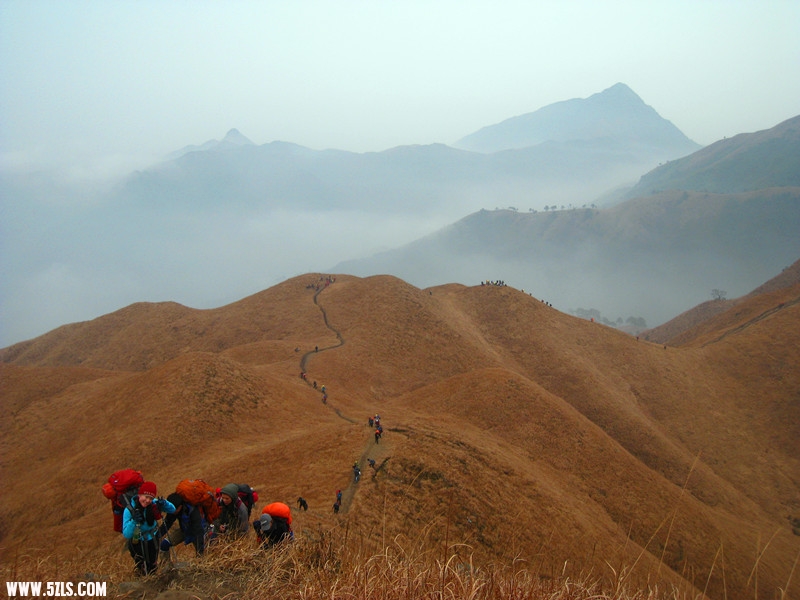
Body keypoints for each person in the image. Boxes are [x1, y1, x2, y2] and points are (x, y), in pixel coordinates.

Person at [122, 481, 176, 576]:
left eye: (150, 498)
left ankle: (152, 579)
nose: (147, 500)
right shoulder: (129, 510)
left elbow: (172, 509)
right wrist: (134, 521)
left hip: (153, 538)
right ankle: (143, 578)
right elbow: (126, 534)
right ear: (139, 495)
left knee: (153, 564)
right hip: (136, 540)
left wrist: (164, 503)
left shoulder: (154, 504)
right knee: (141, 565)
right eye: (145, 497)